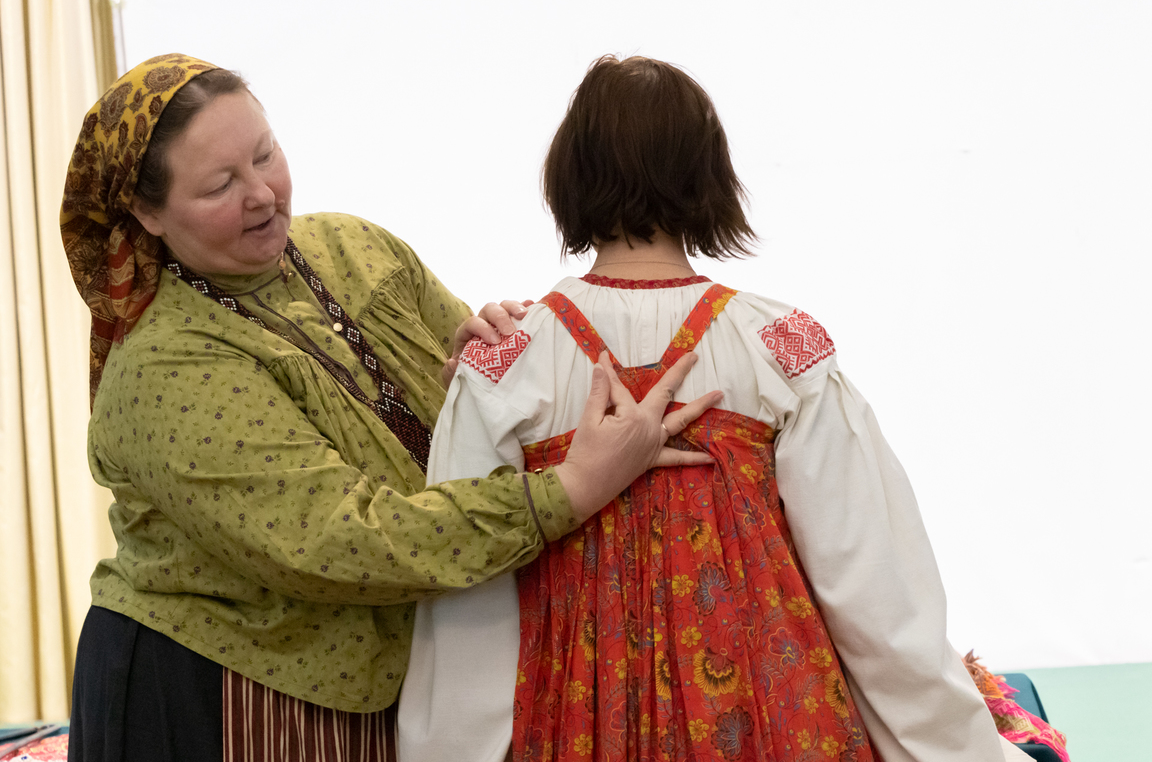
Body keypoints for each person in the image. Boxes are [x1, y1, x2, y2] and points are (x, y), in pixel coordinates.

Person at [59, 53, 718, 762]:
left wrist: (472, 374)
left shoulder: (354, 247)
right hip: (221, 689)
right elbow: (336, 540)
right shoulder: (165, 368)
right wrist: (572, 488)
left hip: (383, 675)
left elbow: (465, 409)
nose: (262, 194)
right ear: (147, 213)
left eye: (265, 154)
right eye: (221, 185)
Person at [398, 56, 1031, 762]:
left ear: (567, 177)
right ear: (710, 176)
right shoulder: (780, 347)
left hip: (580, 723)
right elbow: (874, 591)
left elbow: (467, 610)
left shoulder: (505, 361)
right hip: (772, 722)